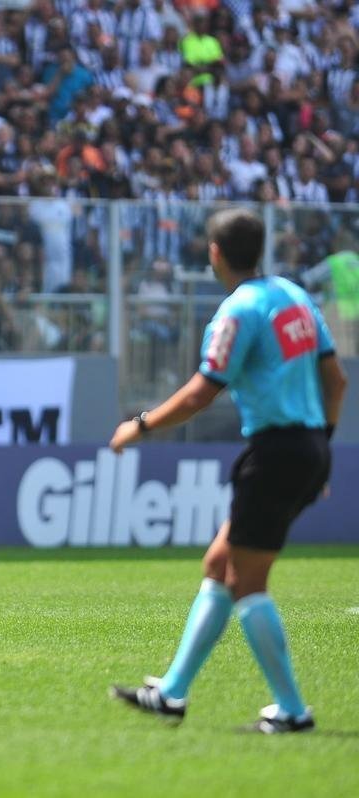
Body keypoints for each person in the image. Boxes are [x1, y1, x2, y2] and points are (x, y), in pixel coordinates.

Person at [109, 209, 347, 733]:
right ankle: (171, 693)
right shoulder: (294, 296)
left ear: (214, 253)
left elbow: (201, 391)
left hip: (276, 452)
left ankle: (291, 711)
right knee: (220, 563)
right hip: (310, 445)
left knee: (246, 583)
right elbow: (337, 382)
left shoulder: (237, 311)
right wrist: (319, 451)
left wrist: (140, 425)